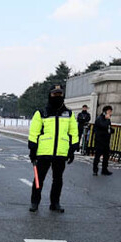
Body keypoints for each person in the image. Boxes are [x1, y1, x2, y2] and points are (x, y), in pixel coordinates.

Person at [28, 84, 78, 213]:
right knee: (39, 178)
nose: (57, 96)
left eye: (59, 94)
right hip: (44, 151)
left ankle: (55, 203)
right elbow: (34, 132)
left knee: (58, 179)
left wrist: (72, 149)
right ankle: (35, 202)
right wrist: (32, 150)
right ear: (50, 95)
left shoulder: (69, 114)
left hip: (61, 152)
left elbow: (73, 132)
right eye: (54, 94)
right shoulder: (41, 112)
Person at [92, 106, 114, 176]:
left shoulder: (108, 120)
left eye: (111, 112)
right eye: (109, 111)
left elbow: (108, 127)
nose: (110, 113)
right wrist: (106, 120)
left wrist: (111, 130)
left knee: (106, 156)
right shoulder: (99, 118)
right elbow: (102, 126)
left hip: (106, 140)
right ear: (105, 112)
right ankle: (95, 170)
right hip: (100, 140)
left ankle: (104, 169)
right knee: (97, 156)